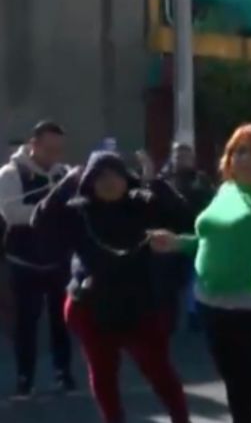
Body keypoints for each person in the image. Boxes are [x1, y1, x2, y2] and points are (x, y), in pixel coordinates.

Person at [32, 151, 191, 423]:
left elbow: (183, 216)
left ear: (125, 178)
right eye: (100, 176)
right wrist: (65, 185)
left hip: (140, 306)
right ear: (90, 181)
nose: (108, 181)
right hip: (92, 306)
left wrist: (155, 182)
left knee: (160, 371)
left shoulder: (141, 203)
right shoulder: (77, 208)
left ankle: (181, 418)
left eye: (114, 174)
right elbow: (40, 223)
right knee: (103, 375)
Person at [149, 124, 251, 423]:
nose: (247, 159)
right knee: (236, 383)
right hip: (213, 305)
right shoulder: (226, 190)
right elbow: (210, 239)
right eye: (240, 152)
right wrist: (178, 243)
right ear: (229, 159)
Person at [0, 121, 76, 397]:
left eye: (59, 149)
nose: (54, 155)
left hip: (57, 261)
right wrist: (49, 211)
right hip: (24, 261)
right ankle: (25, 376)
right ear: (33, 145)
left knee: (63, 320)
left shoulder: (64, 174)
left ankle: (63, 372)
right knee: (26, 323)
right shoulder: (11, 173)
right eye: (49, 149)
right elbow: (13, 214)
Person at [157, 142, 215, 331]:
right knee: (168, 280)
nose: (181, 159)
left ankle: (194, 315)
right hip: (170, 235)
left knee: (194, 277)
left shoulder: (201, 180)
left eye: (185, 156)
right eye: (178, 155)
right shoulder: (164, 180)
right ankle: (168, 315)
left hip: (194, 235)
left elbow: (211, 203)